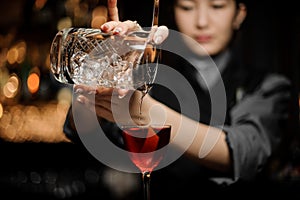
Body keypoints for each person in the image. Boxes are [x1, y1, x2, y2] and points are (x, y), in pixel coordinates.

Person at [66, 0, 298, 198]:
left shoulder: (268, 87)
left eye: (217, 6)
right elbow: (86, 132)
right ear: (173, 13)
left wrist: (147, 112)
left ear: (239, 14)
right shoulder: (152, 82)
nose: (202, 21)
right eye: (187, 7)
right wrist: (105, 72)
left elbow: (244, 153)